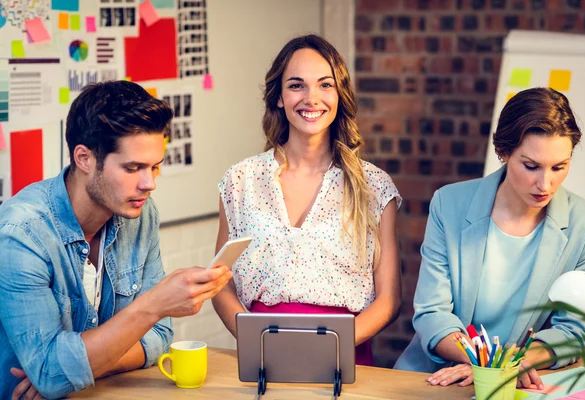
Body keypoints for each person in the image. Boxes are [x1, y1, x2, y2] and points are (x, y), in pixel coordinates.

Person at [0, 81, 232, 399]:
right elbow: (50, 372)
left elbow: (160, 337)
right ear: (84, 158)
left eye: (154, 167)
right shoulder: (21, 233)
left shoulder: (141, 214)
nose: (149, 184)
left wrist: (81, 369)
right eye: (132, 168)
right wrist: (153, 306)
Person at [212, 34, 402, 366]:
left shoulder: (374, 186)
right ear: (279, 98)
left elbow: (389, 299)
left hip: (344, 357)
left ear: (339, 95)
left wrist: (328, 347)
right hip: (263, 358)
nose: (311, 98)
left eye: (325, 85)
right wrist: (252, 341)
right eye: (297, 85)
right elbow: (219, 282)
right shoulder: (240, 181)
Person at [394, 87, 585, 389]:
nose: (546, 183)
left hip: (525, 384)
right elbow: (432, 312)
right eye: (531, 166)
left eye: (560, 167)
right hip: (438, 379)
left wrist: (512, 366)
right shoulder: (449, 205)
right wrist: (485, 366)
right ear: (503, 153)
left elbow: (573, 330)